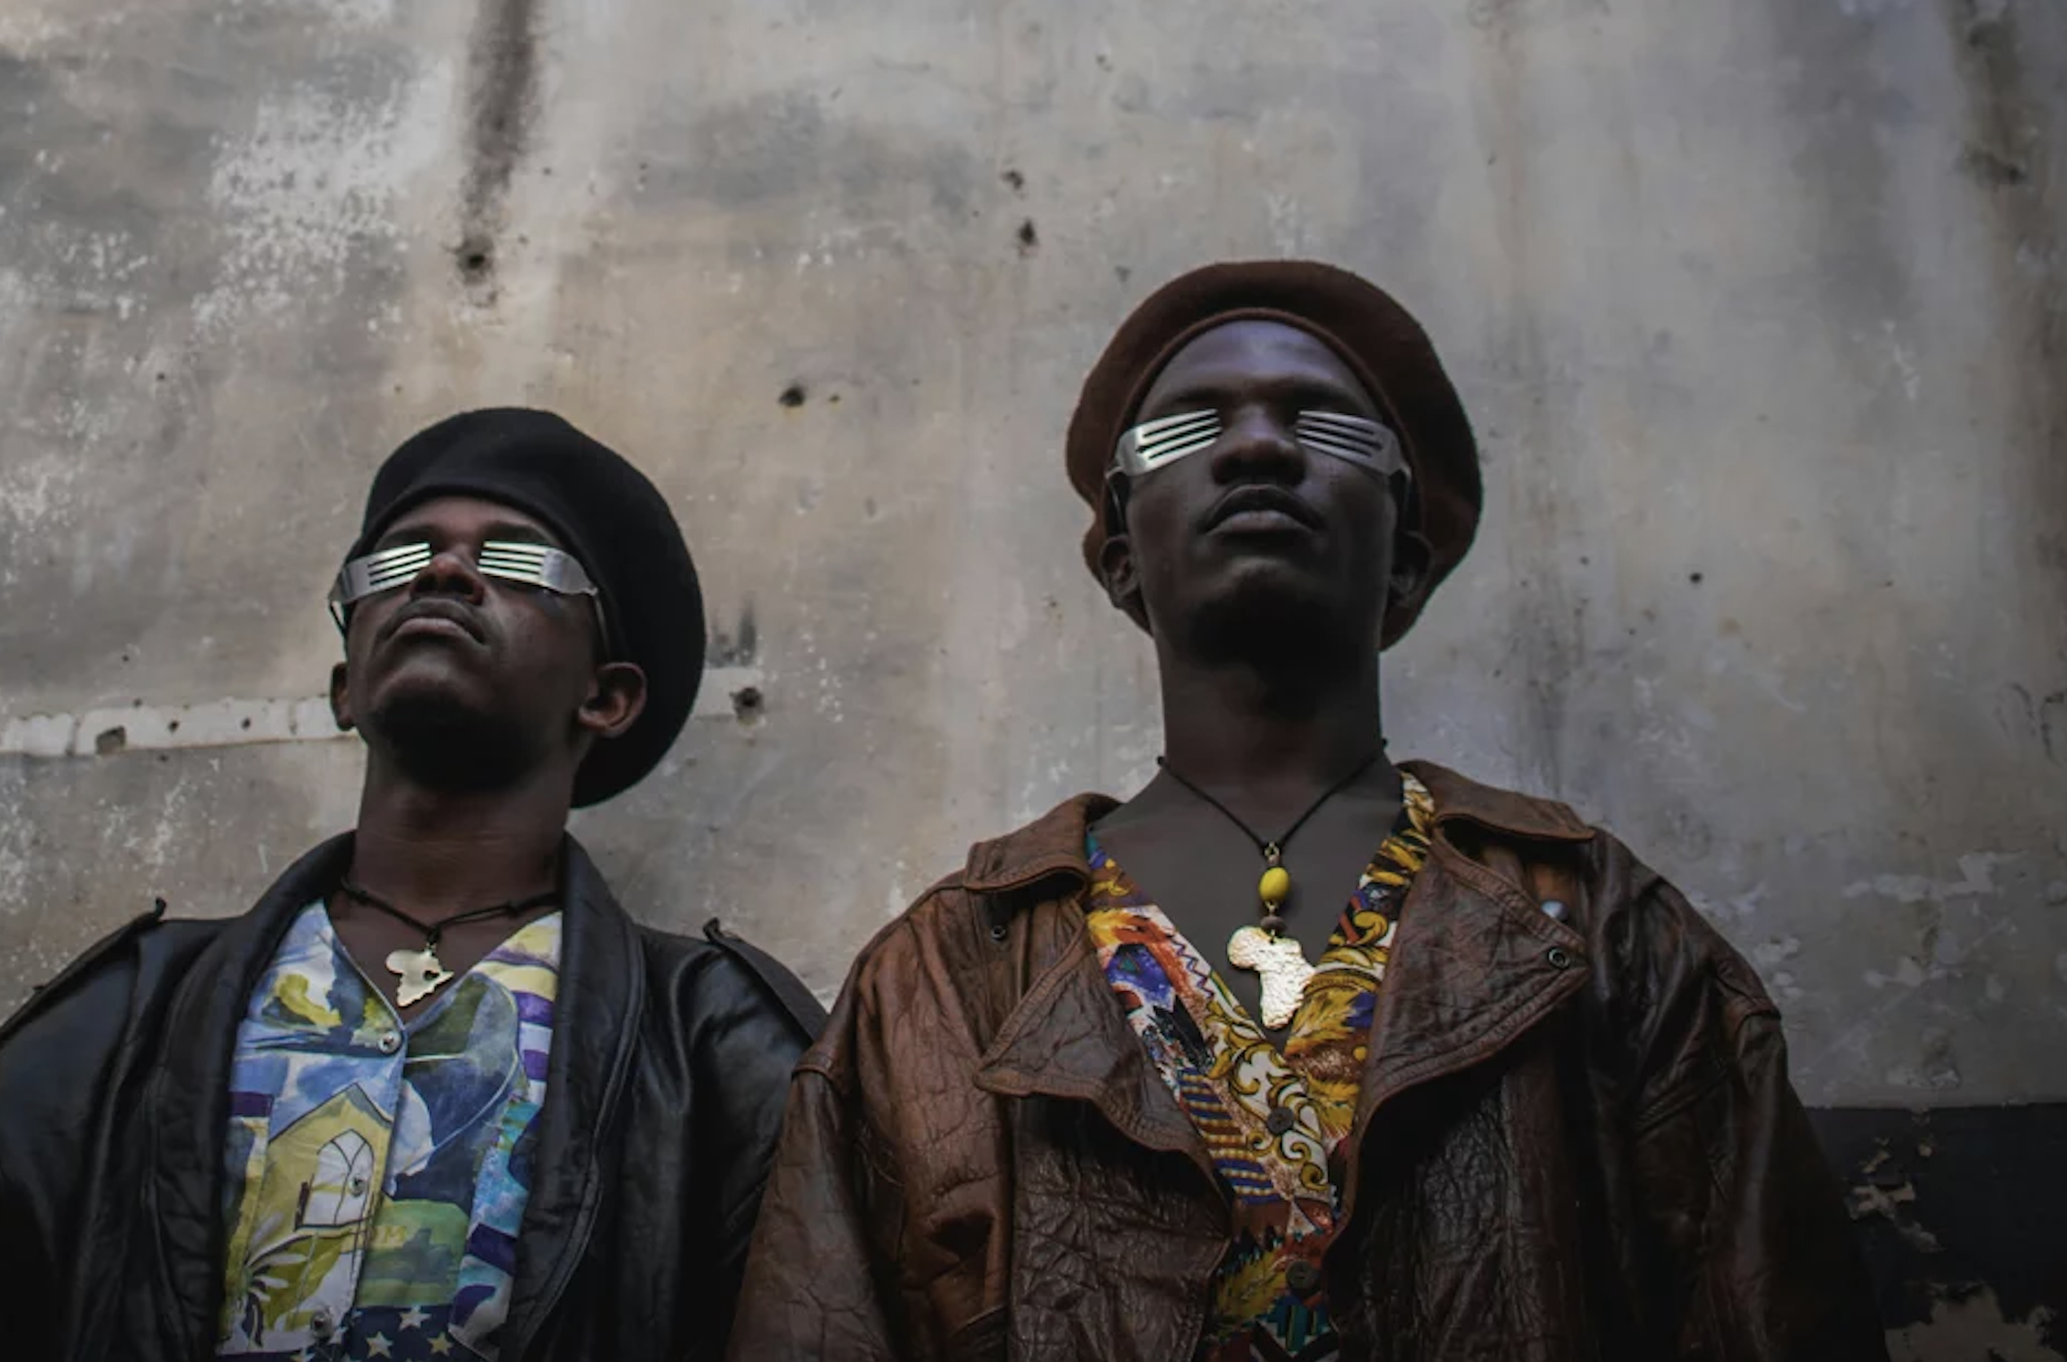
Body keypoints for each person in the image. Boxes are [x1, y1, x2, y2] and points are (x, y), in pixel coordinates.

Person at [733, 262, 1885, 1361]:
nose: (1256, 447)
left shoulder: (1588, 923)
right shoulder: (947, 971)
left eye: (1325, 426)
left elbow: (1766, 1311)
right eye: (1190, 429)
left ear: (1404, 563)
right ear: (1123, 560)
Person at [0, 408, 821, 1362]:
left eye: (516, 558)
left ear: (606, 695)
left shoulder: (716, 1045)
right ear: (345, 684)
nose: (443, 571)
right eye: (395, 560)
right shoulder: (121, 1023)